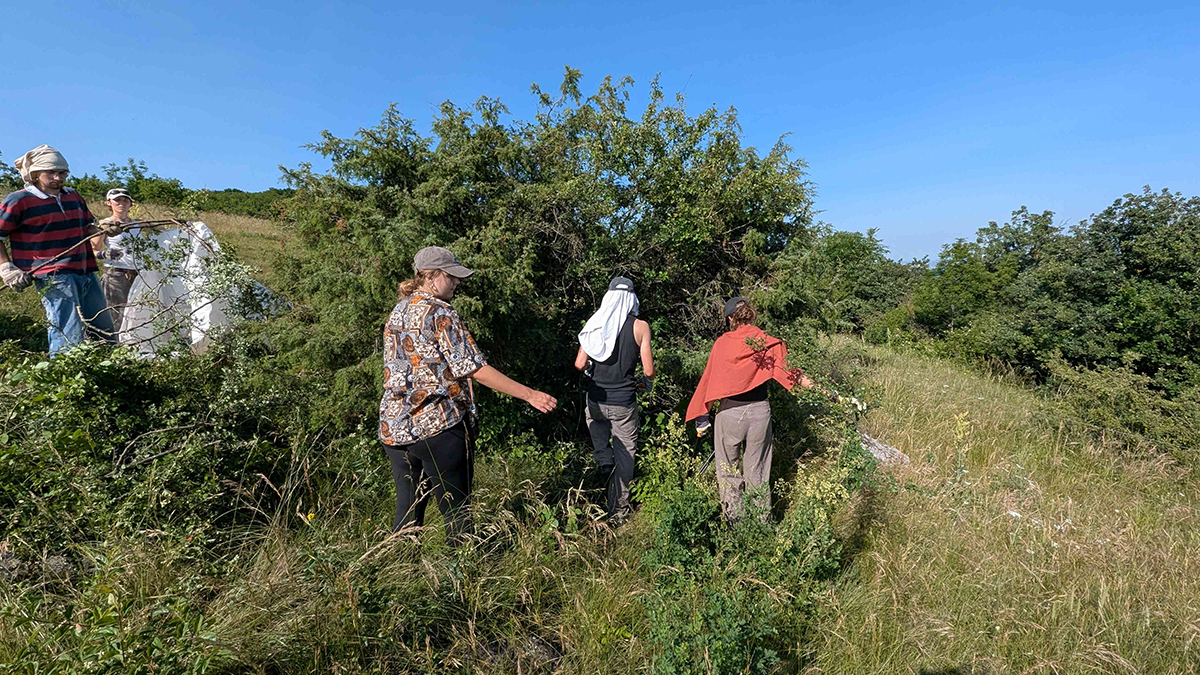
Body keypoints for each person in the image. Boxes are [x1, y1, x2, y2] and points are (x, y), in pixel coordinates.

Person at [379, 246, 557, 543]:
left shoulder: (398, 311)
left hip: (396, 427)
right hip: (438, 425)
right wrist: (530, 395)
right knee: (457, 514)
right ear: (430, 276)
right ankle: (461, 583)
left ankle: (399, 577)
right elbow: (474, 368)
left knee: (407, 516)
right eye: (451, 277)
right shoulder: (440, 312)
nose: (457, 283)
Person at [685, 297, 814, 521]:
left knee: (728, 470)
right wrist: (819, 387)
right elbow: (788, 372)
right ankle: (761, 524)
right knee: (758, 470)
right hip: (759, 413)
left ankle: (735, 523)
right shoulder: (765, 341)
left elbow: (709, 380)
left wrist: (702, 413)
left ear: (730, 319)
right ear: (751, 314)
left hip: (730, 413)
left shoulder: (722, 344)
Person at [0, 145, 120, 354]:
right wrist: (6, 268)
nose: (58, 177)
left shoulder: (73, 196)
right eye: (51, 172)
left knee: (104, 331)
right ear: (36, 174)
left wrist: (103, 229)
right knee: (68, 332)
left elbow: (87, 227)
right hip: (53, 275)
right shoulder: (19, 200)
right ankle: (64, 382)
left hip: (85, 271)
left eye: (62, 172)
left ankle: (113, 380)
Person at [574, 276, 654, 523]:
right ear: (632, 298)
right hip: (623, 402)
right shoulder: (640, 327)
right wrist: (643, 381)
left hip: (596, 400)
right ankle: (617, 512)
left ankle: (603, 461)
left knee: (598, 431)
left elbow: (579, 363)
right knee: (625, 454)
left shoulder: (595, 323)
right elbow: (649, 371)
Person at [91, 188, 141, 332]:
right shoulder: (104, 225)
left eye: (125, 200)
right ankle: (112, 346)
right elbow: (91, 250)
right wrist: (104, 254)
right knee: (115, 313)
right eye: (117, 200)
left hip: (138, 276)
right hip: (116, 275)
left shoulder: (138, 224)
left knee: (136, 313)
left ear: (131, 204)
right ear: (109, 203)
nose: (122, 203)